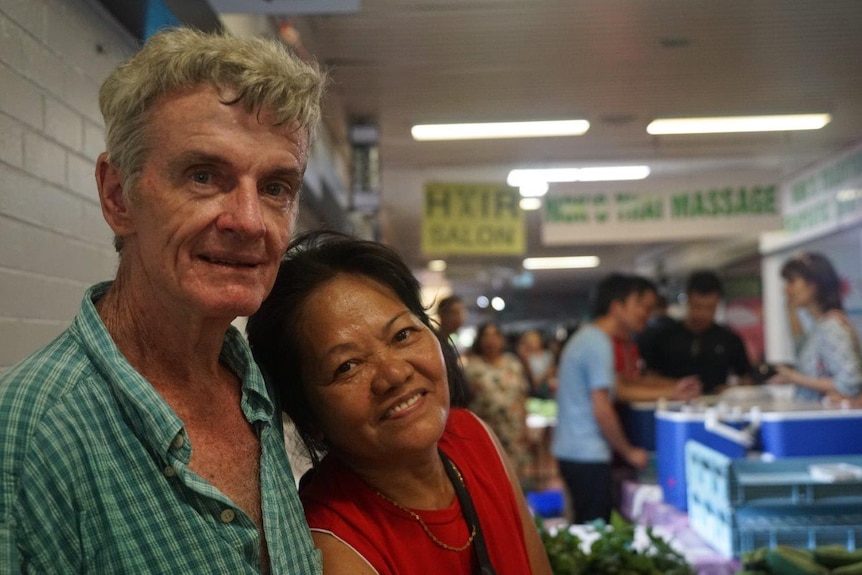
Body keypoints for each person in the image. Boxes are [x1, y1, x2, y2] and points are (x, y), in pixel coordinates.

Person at [0, 28, 325, 574]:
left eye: (275, 188)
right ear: (117, 195)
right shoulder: (31, 437)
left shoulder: (262, 389)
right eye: (204, 176)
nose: (249, 222)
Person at [245, 231, 552, 575]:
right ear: (307, 412)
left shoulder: (474, 436)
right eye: (347, 366)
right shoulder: (335, 550)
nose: (393, 374)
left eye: (402, 335)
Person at [552, 273, 699, 524]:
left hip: (574, 451)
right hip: (586, 454)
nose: (646, 313)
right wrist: (629, 452)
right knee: (594, 533)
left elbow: (621, 386)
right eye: (641, 305)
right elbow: (602, 408)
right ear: (617, 307)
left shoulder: (590, 338)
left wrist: (672, 389)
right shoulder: (598, 343)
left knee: (587, 529)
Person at [638, 270, 753, 394]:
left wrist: (732, 389)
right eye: (697, 306)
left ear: (718, 302)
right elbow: (648, 376)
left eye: (709, 308)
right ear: (688, 299)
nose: (702, 314)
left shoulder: (729, 339)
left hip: (716, 405)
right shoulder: (663, 337)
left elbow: (746, 378)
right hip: (673, 403)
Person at [767, 251, 862, 401]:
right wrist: (790, 310)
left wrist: (795, 378)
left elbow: (850, 383)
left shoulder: (832, 327)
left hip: (828, 421)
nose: (786, 290)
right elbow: (801, 349)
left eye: (791, 282)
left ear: (813, 284)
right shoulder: (820, 325)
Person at [464, 321, 532, 481]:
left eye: (495, 335)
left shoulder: (513, 363)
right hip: (487, 435)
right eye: (486, 336)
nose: (491, 340)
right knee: (492, 478)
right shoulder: (472, 368)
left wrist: (525, 426)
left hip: (514, 432)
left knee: (515, 480)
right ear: (480, 340)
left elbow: (522, 396)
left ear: (502, 340)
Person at [516, 329, 558, 399]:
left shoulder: (548, 354)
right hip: (540, 391)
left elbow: (553, 371)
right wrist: (546, 375)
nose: (534, 343)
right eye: (532, 341)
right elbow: (534, 382)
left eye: (536, 340)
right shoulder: (528, 358)